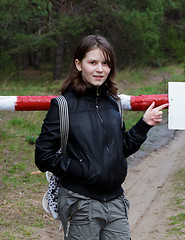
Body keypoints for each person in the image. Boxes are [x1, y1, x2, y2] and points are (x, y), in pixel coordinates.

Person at [35, 35, 168, 240]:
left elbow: (121, 148)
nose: (100, 69)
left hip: (115, 201)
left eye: (106, 63)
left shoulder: (113, 103)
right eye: (93, 62)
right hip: (81, 202)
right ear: (79, 64)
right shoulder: (63, 105)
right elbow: (43, 156)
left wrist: (144, 124)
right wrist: (84, 170)